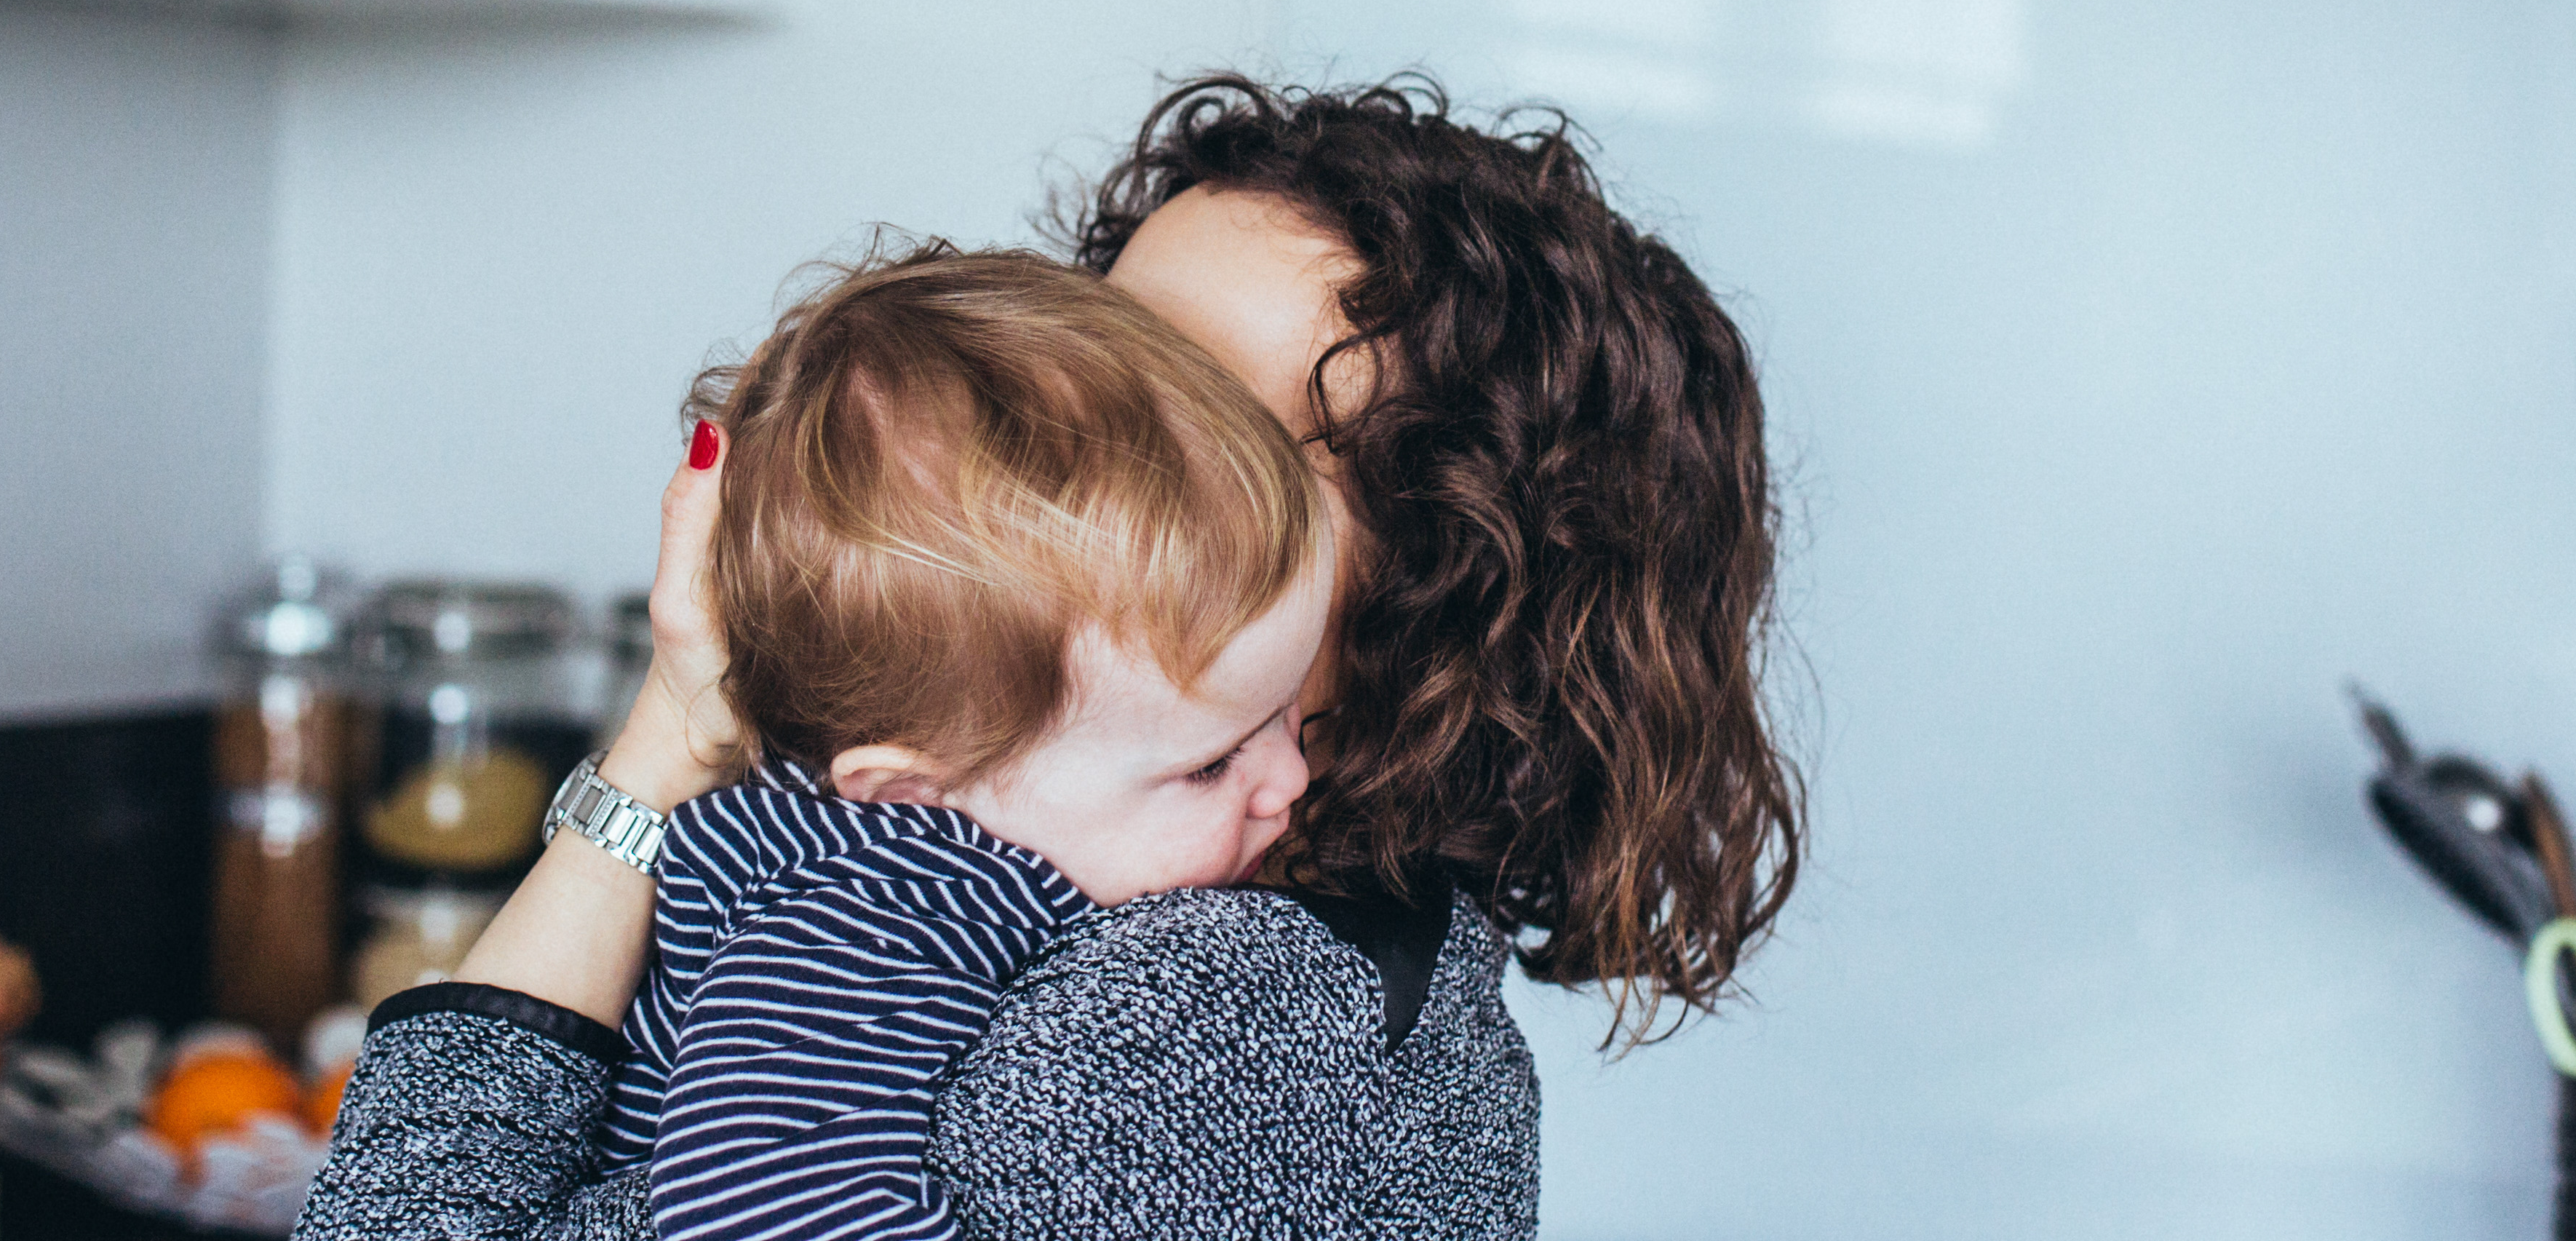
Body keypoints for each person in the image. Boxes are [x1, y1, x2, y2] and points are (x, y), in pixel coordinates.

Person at [300, 75, 1800, 1241]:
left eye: (1217, 428)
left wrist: (664, 747)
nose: (1086, 447)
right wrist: (676, 729)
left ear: (1468, 577)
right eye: (1110, 358)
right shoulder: (1029, 862)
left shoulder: (1221, 1023)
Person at [599, 247, 1329, 1239]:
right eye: (1210, 764)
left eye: (1285, 713)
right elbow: (756, 1214)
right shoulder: (889, 903)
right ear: (913, 798)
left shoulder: (920, 847)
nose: (1288, 778)